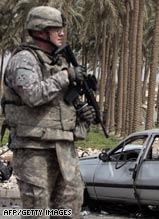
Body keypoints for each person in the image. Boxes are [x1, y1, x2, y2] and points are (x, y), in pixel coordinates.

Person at [1, 6, 96, 218]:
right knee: (38, 208)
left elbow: (65, 105)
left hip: (63, 148)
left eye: (62, 28)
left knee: (70, 206)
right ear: (40, 31)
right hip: (34, 148)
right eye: (55, 28)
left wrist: (84, 115)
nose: (62, 33)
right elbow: (32, 95)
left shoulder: (59, 63)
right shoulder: (24, 60)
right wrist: (65, 76)